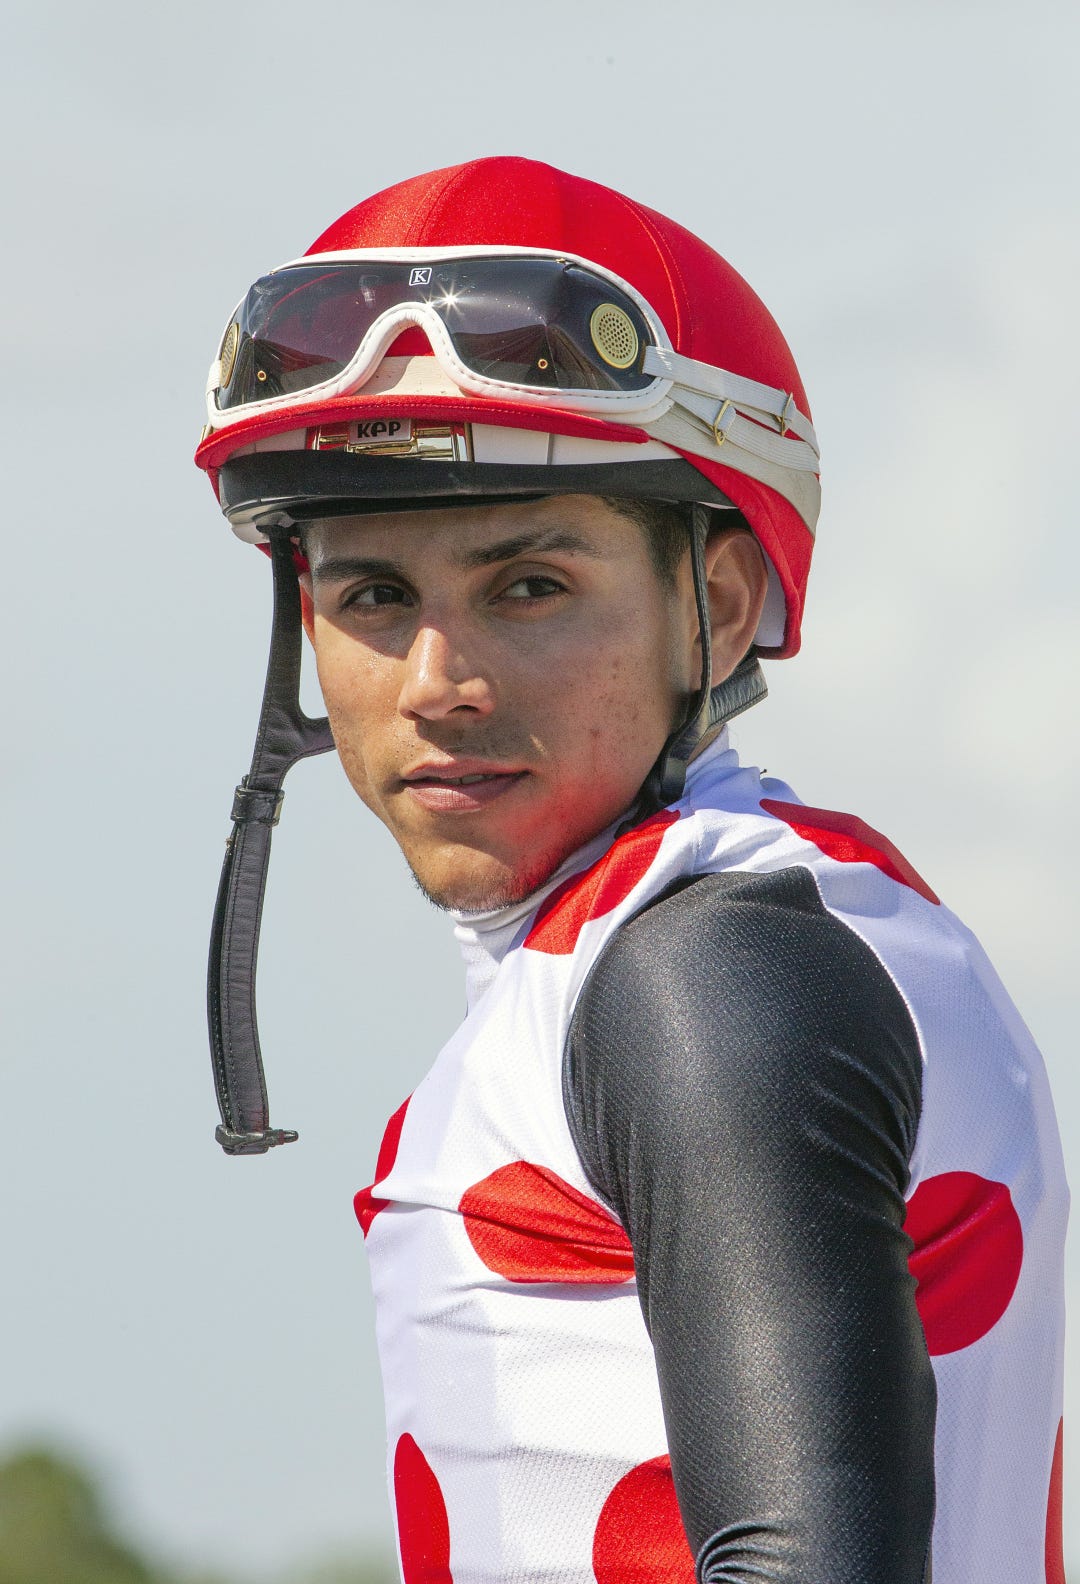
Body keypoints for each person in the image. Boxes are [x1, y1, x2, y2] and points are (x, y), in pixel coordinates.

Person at [196, 158, 1068, 1584]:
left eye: (529, 587)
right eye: (374, 596)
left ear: (715, 604)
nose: (435, 681)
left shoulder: (703, 971)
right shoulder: (746, 923)